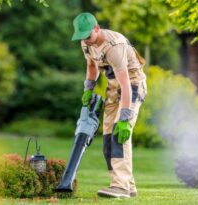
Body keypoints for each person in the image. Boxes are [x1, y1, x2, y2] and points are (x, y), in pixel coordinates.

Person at [72, 12, 147, 198]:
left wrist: (124, 117)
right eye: (82, 37)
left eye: (88, 36)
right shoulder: (86, 42)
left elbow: (126, 85)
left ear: (97, 28)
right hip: (113, 89)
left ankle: (120, 186)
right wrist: (88, 89)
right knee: (107, 139)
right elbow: (91, 67)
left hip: (132, 85)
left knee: (119, 134)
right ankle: (128, 185)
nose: (86, 41)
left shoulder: (115, 46)